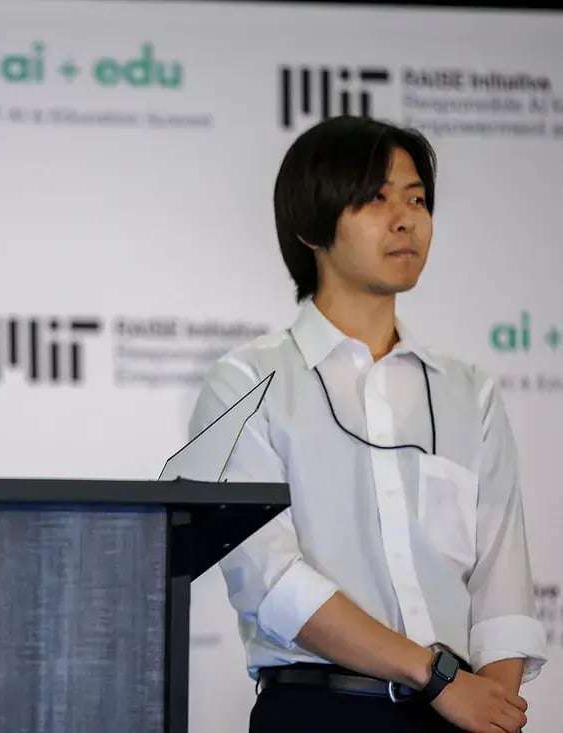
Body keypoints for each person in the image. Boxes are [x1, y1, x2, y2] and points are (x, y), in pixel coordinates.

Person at [188, 116, 546, 733]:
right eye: (377, 199)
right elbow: (270, 581)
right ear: (310, 226)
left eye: (417, 199)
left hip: (462, 714)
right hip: (318, 711)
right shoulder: (246, 382)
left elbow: (502, 583)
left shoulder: (470, 391)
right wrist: (436, 677)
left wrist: (489, 708)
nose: (406, 220)